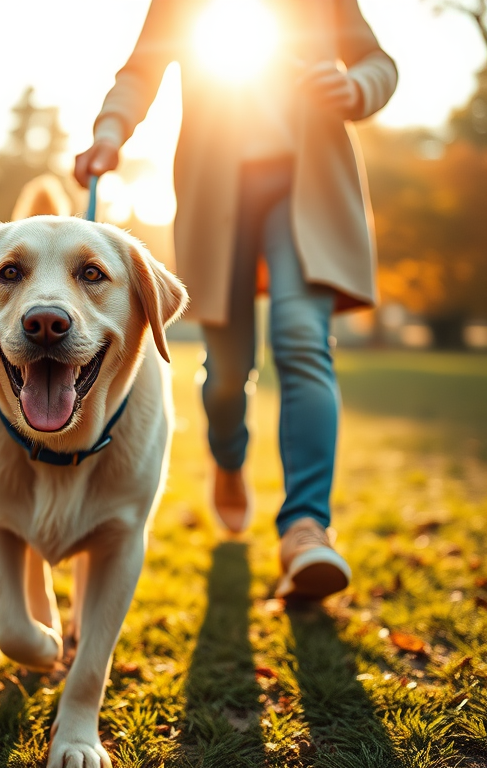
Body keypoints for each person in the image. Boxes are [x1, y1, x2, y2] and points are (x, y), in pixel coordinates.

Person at [75, 0, 397, 600]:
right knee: (226, 372)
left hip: (306, 183)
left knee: (302, 340)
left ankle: (305, 526)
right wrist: (109, 132)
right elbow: (140, 72)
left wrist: (354, 86)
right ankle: (228, 459)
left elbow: (379, 63)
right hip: (215, 189)